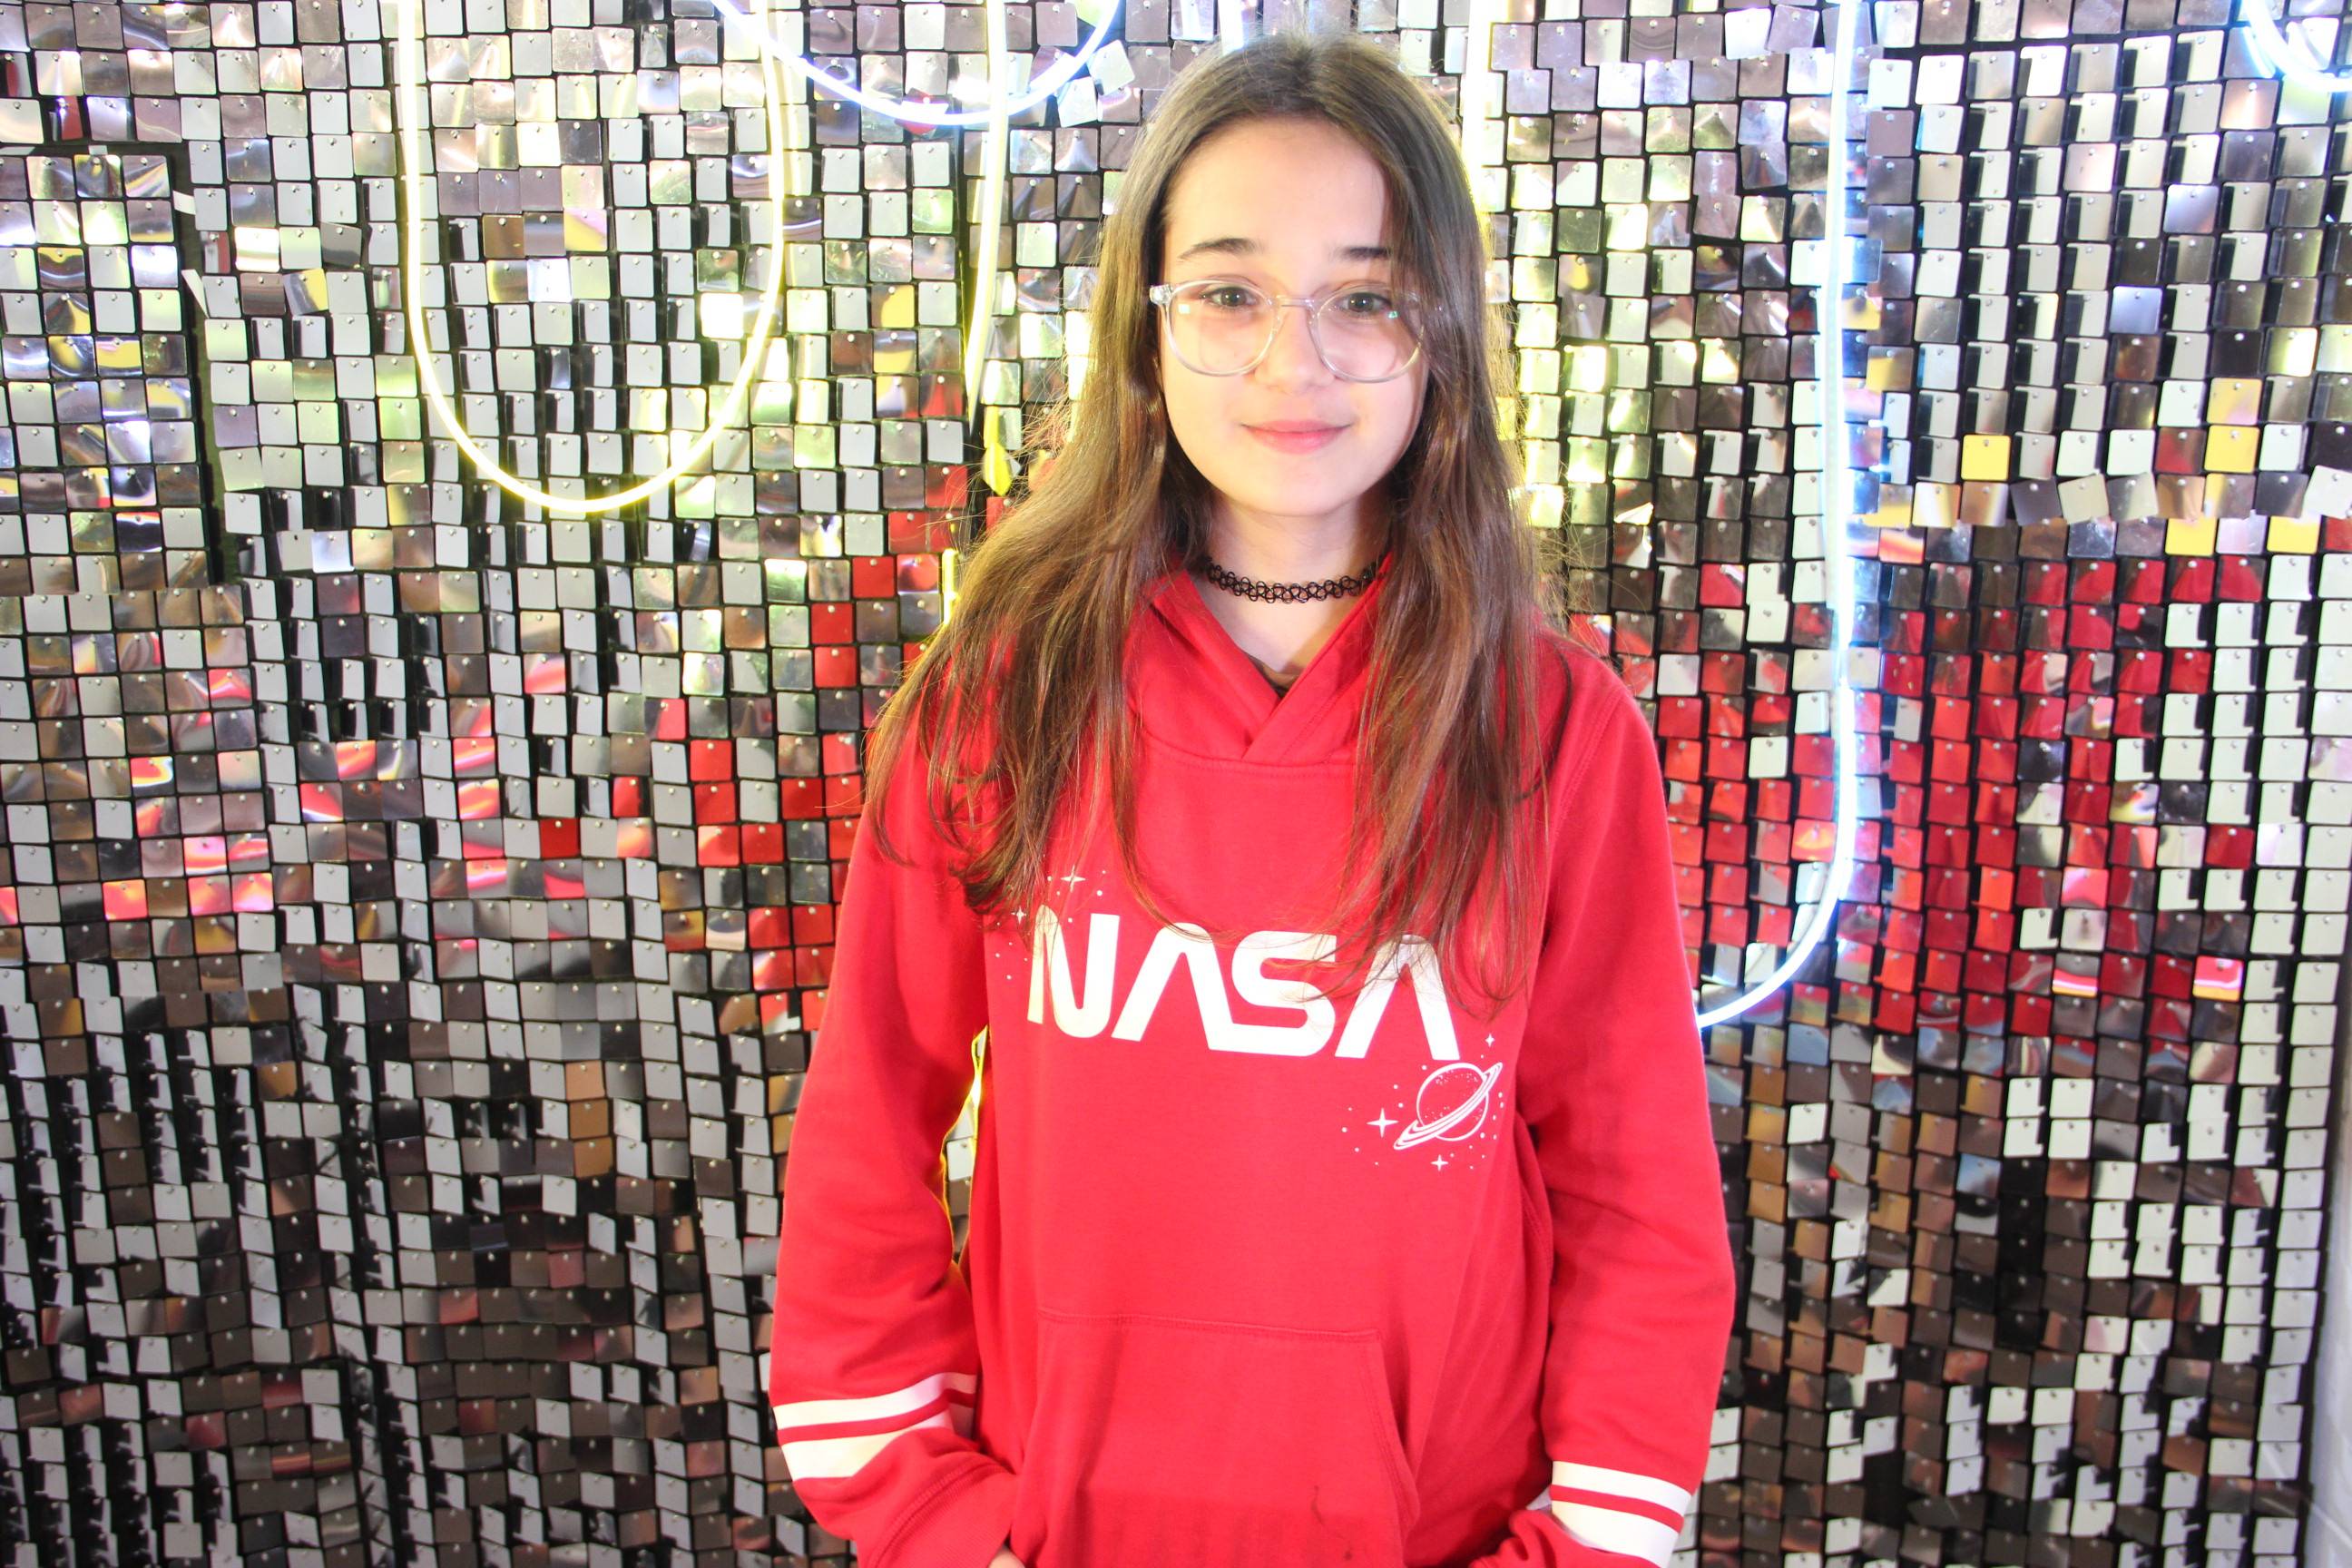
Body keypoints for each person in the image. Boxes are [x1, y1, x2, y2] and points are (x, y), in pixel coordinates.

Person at [762, 27, 1737, 1568]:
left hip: (1444, 1536)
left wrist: (1591, 1537)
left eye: (1367, 296)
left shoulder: (1552, 729)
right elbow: (870, 1116)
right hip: (1055, 1533)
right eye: (1229, 293)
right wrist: (921, 1500)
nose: (1297, 362)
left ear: (1442, 333)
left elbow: (1638, 1190)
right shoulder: (1002, 694)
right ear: (1145, 327)